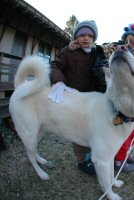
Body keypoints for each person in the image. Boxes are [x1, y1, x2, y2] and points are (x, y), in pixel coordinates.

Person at [49, 20, 108, 175]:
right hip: (75, 99)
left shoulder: (98, 52)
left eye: (89, 35)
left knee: (93, 129)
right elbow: (55, 65)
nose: (85, 38)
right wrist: (58, 82)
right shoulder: (68, 51)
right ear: (76, 36)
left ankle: (93, 156)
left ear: (94, 38)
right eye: (82, 35)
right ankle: (82, 161)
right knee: (79, 130)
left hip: (93, 99)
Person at [102, 22, 134, 172]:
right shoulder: (114, 46)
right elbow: (101, 61)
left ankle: (126, 154)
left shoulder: (133, 55)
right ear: (126, 34)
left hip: (128, 98)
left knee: (132, 129)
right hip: (115, 98)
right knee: (121, 131)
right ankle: (118, 162)